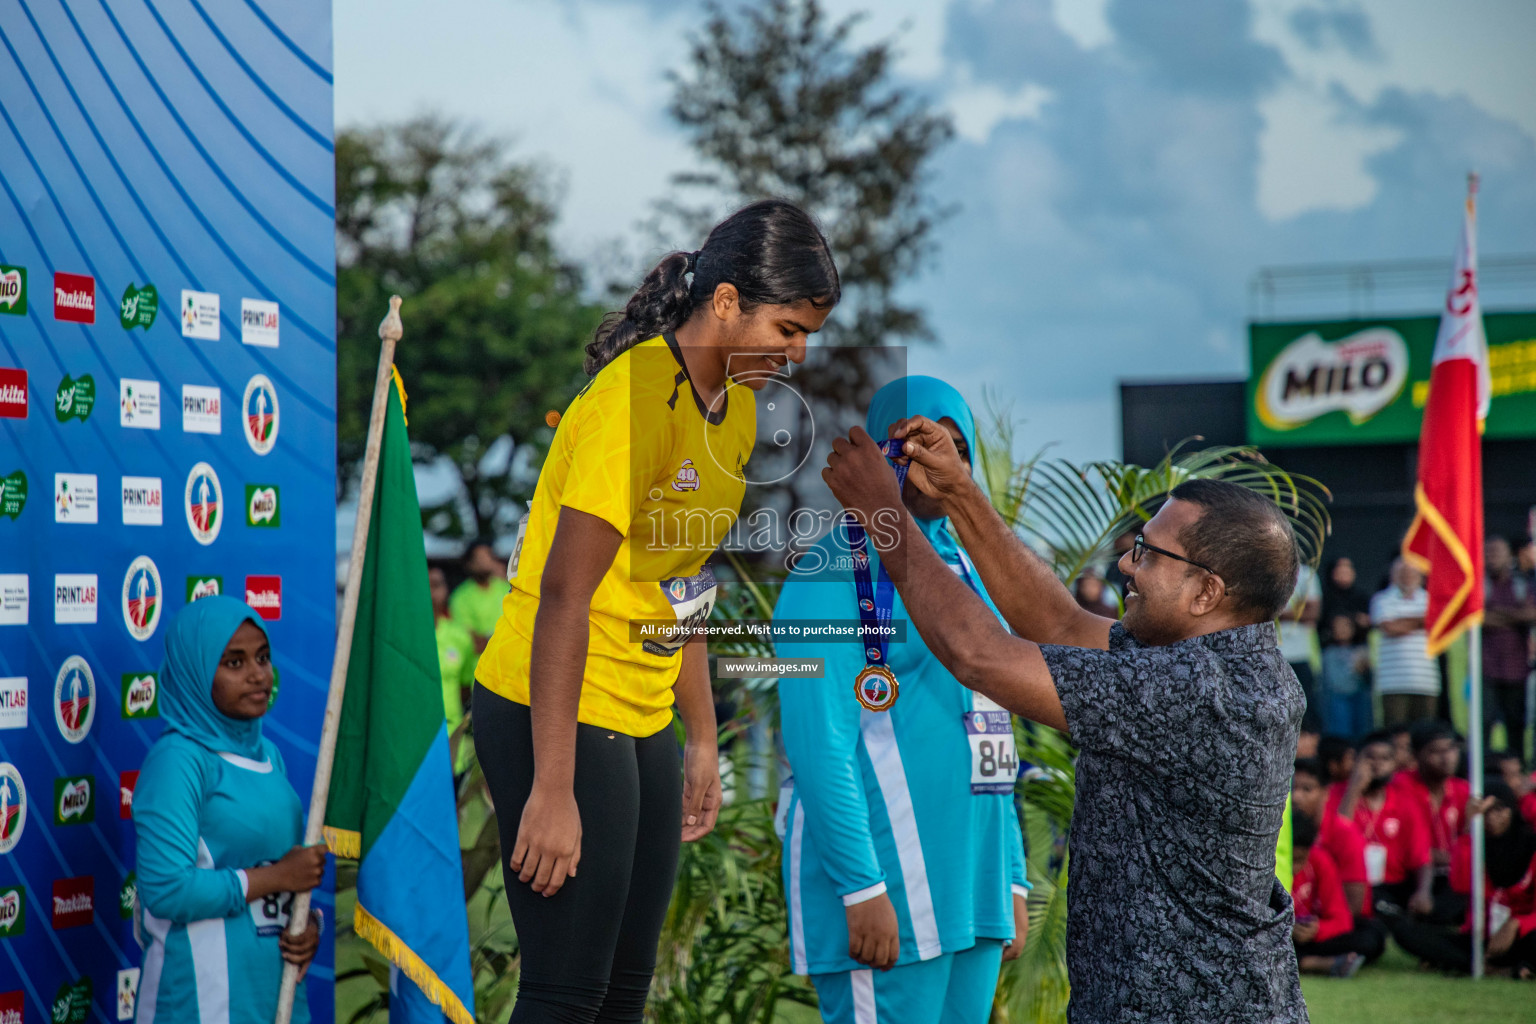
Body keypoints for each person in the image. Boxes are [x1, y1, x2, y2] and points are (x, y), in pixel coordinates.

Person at [471, 198, 839, 1022]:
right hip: (554, 705)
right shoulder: (630, 403)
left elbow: (685, 580)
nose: (799, 353)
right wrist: (553, 788)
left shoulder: (738, 411)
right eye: (787, 329)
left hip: (641, 714)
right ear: (726, 303)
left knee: (624, 997)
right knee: (567, 995)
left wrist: (702, 737)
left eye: (808, 333)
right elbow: (565, 594)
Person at [824, 420, 1309, 1023]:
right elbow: (1057, 625)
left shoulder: (1207, 692)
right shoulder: (1211, 659)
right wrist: (959, 492)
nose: (1126, 567)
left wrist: (882, 514)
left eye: (1148, 554)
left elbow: (980, 656)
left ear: (1207, 592)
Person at [773, 378, 1029, 1023]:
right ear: (881, 453)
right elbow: (816, 743)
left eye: (957, 444)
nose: (940, 457)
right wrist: (861, 887)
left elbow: (991, 723)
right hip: (885, 892)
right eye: (916, 439)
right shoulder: (831, 570)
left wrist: (1012, 875)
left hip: (973, 890)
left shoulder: (970, 569)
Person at [131, 596, 327, 1023]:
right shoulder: (178, 760)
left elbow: (282, 868)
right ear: (196, 673)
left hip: (274, 995)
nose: (258, 674)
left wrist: (305, 923)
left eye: (263, 657)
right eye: (234, 663)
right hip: (200, 1001)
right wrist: (277, 877)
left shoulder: (269, 754)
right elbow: (167, 890)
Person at [1391, 783, 1536, 977]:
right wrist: (1469, 830)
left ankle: (1465, 964)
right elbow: (1461, 885)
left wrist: (1517, 924)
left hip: (1521, 934)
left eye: (1500, 810)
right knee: (1405, 931)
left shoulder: (1530, 847)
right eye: (1485, 813)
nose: (1492, 818)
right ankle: (1491, 969)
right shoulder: (1476, 846)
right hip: (1480, 936)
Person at [1334, 730, 1432, 918]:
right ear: (1356, 760)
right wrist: (1354, 789)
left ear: (1394, 764)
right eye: (1370, 758)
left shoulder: (1405, 801)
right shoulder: (1337, 795)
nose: (1378, 764)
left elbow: (1422, 858)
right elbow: (1338, 837)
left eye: (1385, 759)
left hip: (1392, 885)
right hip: (1350, 883)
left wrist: (1423, 892)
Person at [1390, 721, 1470, 924]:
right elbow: (1403, 844)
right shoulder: (1401, 786)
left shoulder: (1463, 789)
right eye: (1435, 751)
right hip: (1411, 875)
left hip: (1452, 876)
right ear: (1416, 755)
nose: (1446, 758)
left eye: (1451, 749)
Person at [1289, 815, 1381, 977]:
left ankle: (1303, 961)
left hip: (1311, 937)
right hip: (1283, 936)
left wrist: (1318, 929)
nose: (1294, 868)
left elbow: (1342, 919)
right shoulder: (1268, 869)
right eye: (1289, 860)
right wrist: (1288, 928)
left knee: (1371, 935)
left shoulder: (1320, 860)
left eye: (1299, 860)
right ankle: (1311, 963)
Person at [1292, 758, 1371, 920]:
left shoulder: (1345, 834)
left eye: (1307, 789)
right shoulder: (1279, 830)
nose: (1295, 797)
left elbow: (1354, 906)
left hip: (1332, 921)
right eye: (1290, 788)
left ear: (1325, 792)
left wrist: (1319, 927)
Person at [1370, 559, 1440, 726]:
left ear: (1420, 576)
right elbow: (1390, 628)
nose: (1407, 577)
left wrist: (1402, 621)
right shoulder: (1381, 599)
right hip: (1392, 683)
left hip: (1426, 681)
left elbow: (1436, 623)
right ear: (1393, 575)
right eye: (1403, 573)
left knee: (1425, 732)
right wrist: (1422, 621)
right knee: (1395, 731)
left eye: (1411, 573)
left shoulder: (1431, 599)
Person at [1484, 536, 1535, 760]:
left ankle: (1518, 767)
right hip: (1486, 668)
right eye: (1488, 553)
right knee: (1484, 722)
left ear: (1509, 556)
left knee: (1516, 723)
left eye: (1497, 552)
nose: (1492, 558)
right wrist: (1513, 616)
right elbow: (1475, 618)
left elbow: (1531, 613)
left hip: (1516, 667)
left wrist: (1495, 615)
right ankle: (1484, 768)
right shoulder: (1480, 585)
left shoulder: (1522, 585)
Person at [431, 566, 478, 774]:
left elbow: (465, 687)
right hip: (413, 738)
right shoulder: (401, 639)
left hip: (452, 737)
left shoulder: (460, 637)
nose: (431, 592)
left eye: (437, 585)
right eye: (426, 585)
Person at [1279, 564, 1323, 730]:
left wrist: (1277, 613)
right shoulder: (1258, 569)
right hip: (1268, 655)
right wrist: (1297, 610)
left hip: (1301, 655)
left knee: (1306, 710)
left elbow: (1313, 612)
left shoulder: (1305, 574)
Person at [450, 538, 512, 658]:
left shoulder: (505, 588)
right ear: (469, 563)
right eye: (479, 558)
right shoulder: (461, 597)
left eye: (488, 556)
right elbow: (472, 641)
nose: (485, 561)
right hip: (481, 666)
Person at [1318, 613, 1372, 740]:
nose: (1342, 630)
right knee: (1339, 732)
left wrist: (1364, 669)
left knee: (1361, 731)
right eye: (1338, 626)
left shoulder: (1362, 650)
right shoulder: (1327, 652)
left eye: (1346, 626)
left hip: (1358, 697)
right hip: (1335, 698)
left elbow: (1368, 679)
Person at [1321, 556, 1372, 641]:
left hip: (1358, 646)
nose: (1345, 573)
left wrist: (1357, 620)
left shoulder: (1362, 597)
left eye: (1348, 569)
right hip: (1329, 647)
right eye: (1341, 570)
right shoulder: (1324, 596)